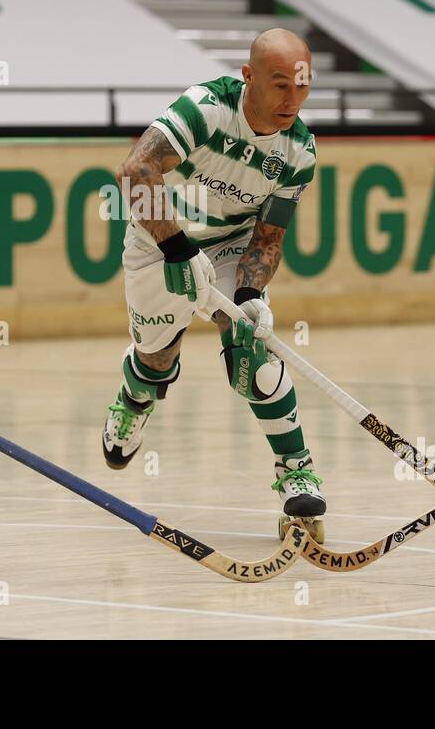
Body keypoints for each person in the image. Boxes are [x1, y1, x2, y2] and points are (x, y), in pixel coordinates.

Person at [101, 28, 327, 541]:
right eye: (279, 85)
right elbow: (135, 172)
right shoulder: (206, 109)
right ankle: (136, 394)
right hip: (159, 239)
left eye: (302, 86)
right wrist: (178, 247)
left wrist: (248, 295)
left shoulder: (300, 150)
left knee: (255, 353)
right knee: (156, 362)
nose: (292, 100)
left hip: (229, 244)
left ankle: (296, 469)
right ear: (248, 78)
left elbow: (268, 236)